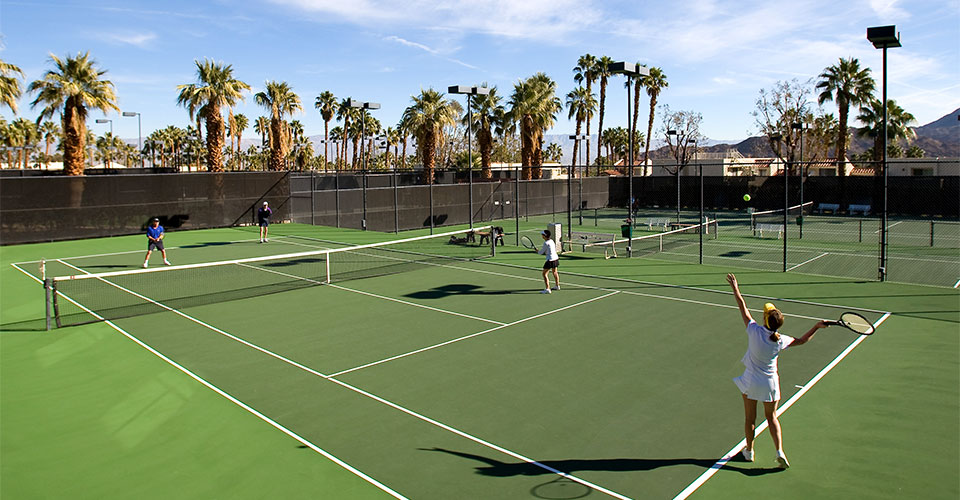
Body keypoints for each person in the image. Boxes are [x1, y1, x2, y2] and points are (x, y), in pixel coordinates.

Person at [726, 273, 826, 469]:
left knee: (749, 418)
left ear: (765, 319)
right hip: (770, 383)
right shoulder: (780, 340)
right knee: (772, 418)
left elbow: (742, 306)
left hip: (751, 381)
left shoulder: (754, 330)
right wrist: (816, 326)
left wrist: (735, 288)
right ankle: (779, 451)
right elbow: (802, 340)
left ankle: (749, 451)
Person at [538, 229, 560, 294]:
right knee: (555, 272)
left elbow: (541, 252)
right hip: (556, 259)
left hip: (550, 260)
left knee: (544, 274)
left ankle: (547, 288)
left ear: (544, 236)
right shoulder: (551, 241)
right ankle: (557, 285)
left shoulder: (546, 243)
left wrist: (537, 251)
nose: (541, 235)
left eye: (542, 234)